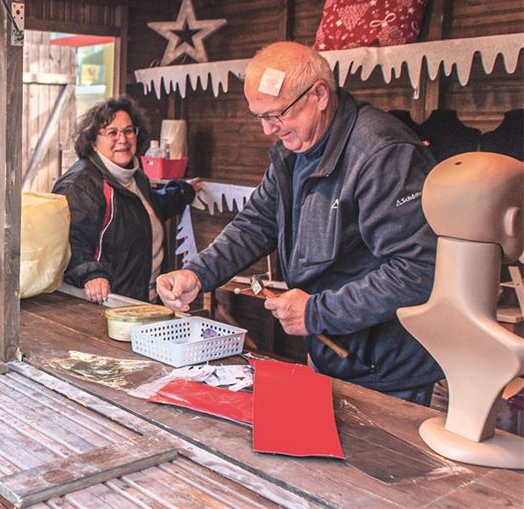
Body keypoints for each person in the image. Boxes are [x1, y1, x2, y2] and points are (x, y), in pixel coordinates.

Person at [156, 42, 443, 404]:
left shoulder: (382, 154)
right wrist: (198, 273)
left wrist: (318, 312)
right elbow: (255, 224)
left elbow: (418, 270)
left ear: (319, 94)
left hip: (387, 367)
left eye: (276, 115)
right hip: (335, 350)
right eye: (259, 116)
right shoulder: (294, 152)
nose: (267, 130)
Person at [53, 96, 198, 303]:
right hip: (107, 304)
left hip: (143, 299)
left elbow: (146, 210)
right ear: (93, 141)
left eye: (129, 131)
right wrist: (91, 274)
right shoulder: (80, 185)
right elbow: (70, 241)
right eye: (112, 132)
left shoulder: (134, 176)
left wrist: (183, 191)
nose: (123, 139)